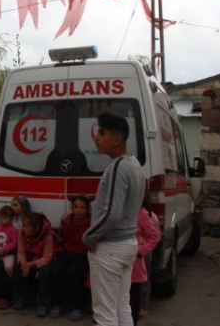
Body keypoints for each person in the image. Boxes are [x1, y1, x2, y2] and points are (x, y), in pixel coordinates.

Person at [83, 112, 145, 326]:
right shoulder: (134, 165)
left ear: (117, 139)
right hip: (127, 245)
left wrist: (89, 237)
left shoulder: (118, 168)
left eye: (102, 133)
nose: (96, 138)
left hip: (110, 248)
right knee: (122, 308)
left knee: (105, 314)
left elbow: (112, 213)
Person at [49, 195, 92, 321]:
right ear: (72, 208)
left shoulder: (91, 222)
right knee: (56, 269)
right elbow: (61, 237)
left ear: (87, 210)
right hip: (66, 251)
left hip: (82, 254)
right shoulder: (67, 219)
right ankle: (55, 304)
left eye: (82, 208)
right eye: (76, 207)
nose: (78, 210)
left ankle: (77, 307)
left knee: (73, 272)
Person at [14, 212, 54, 317]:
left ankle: (43, 302)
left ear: (36, 228)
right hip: (28, 260)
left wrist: (30, 264)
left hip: (41, 262)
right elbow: (21, 252)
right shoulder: (21, 233)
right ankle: (23, 296)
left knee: (45, 271)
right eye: (23, 226)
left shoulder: (48, 236)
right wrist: (24, 264)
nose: (24, 228)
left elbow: (47, 257)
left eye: (27, 226)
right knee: (17, 267)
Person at [130, 196, 161, 325]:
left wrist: (140, 251)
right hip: (120, 260)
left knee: (135, 291)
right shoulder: (120, 212)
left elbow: (154, 236)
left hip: (136, 261)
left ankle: (139, 311)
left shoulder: (142, 214)